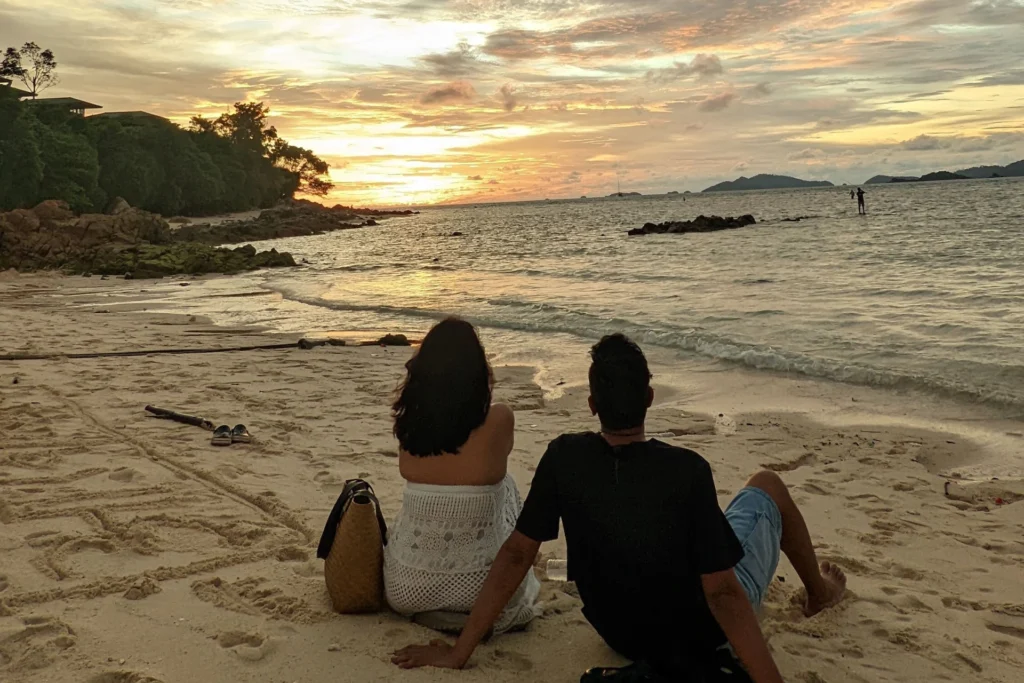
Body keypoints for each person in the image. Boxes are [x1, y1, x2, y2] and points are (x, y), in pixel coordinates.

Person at [392, 334, 846, 682]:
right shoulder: (687, 470)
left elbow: (515, 554)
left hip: (621, 633)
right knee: (766, 486)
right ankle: (820, 593)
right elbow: (723, 595)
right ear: (650, 398)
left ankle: (813, 590)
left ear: (591, 405)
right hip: (697, 635)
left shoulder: (564, 458)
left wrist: (458, 653)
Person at [383, 317, 539, 634]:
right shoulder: (500, 419)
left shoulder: (410, 425)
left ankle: (436, 602)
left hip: (404, 589)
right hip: (483, 591)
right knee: (506, 486)